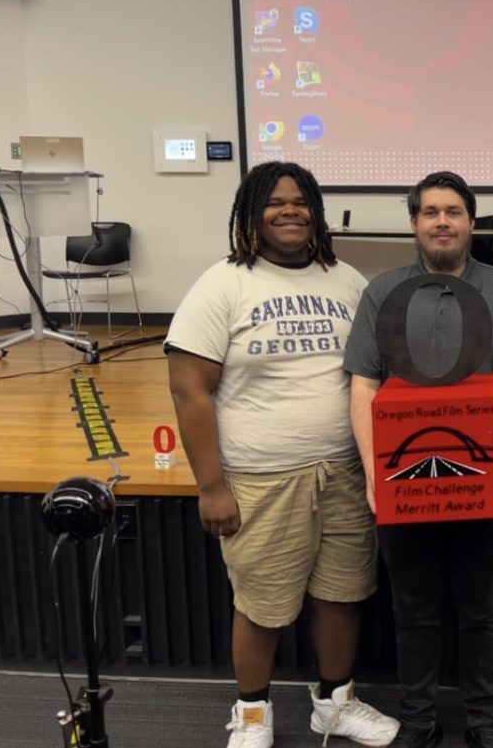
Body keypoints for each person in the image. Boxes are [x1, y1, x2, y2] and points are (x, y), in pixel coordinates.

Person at [165, 162, 399, 748]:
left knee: (342, 597)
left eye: (301, 201)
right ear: (251, 212)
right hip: (260, 479)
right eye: (275, 202)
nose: (289, 210)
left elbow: (375, 375)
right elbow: (188, 389)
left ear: (317, 212)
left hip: (345, 472)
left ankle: (335, 705)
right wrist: (211, 486)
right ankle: (252, 715)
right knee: (263, 607)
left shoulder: (345, 279)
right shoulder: (223, 284)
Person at [345, 171, 493, 748]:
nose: (442, 222)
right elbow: (363, 385)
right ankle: (419, 722)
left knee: (483, 612)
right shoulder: (381, 292)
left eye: (453, 212)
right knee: (414, 612)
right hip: (402, 483)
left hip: (488, 483)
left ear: (471, 222)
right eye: (430, 212)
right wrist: (373, 472)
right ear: (414, 223)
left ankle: (485, 726)